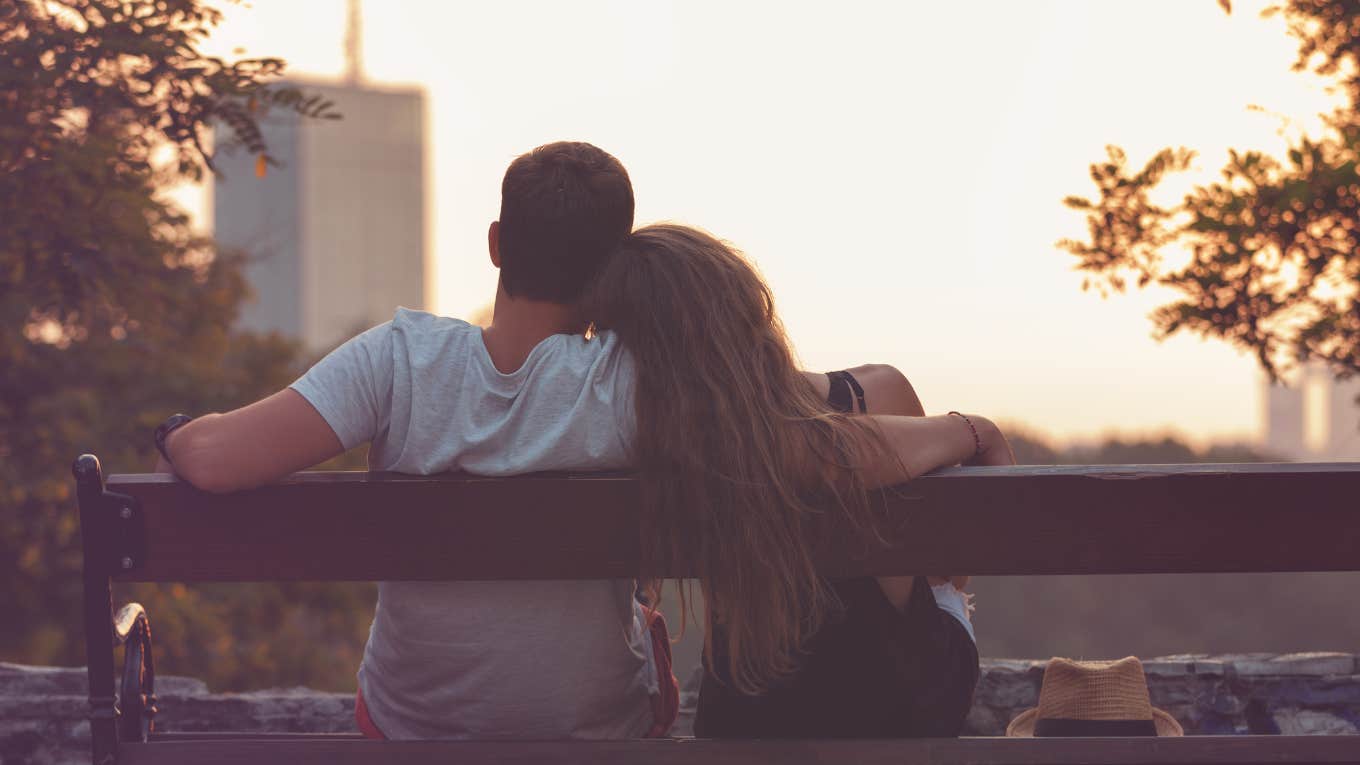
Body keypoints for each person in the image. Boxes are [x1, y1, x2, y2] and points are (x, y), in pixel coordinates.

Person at [152, 141, 679, 739]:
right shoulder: (634, 379)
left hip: (411, 731)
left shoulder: (401, 360)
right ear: (616, 266)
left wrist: (174, 434)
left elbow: (214, 460)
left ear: (496, 243)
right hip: (597, 733)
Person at [584, 223, 1015, 738]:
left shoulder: (649, 438)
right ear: (747, 311)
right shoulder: (878, 394)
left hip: (743, 711)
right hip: (900, 705)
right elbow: (954, 568)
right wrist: (974, 429)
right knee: (941, 592)